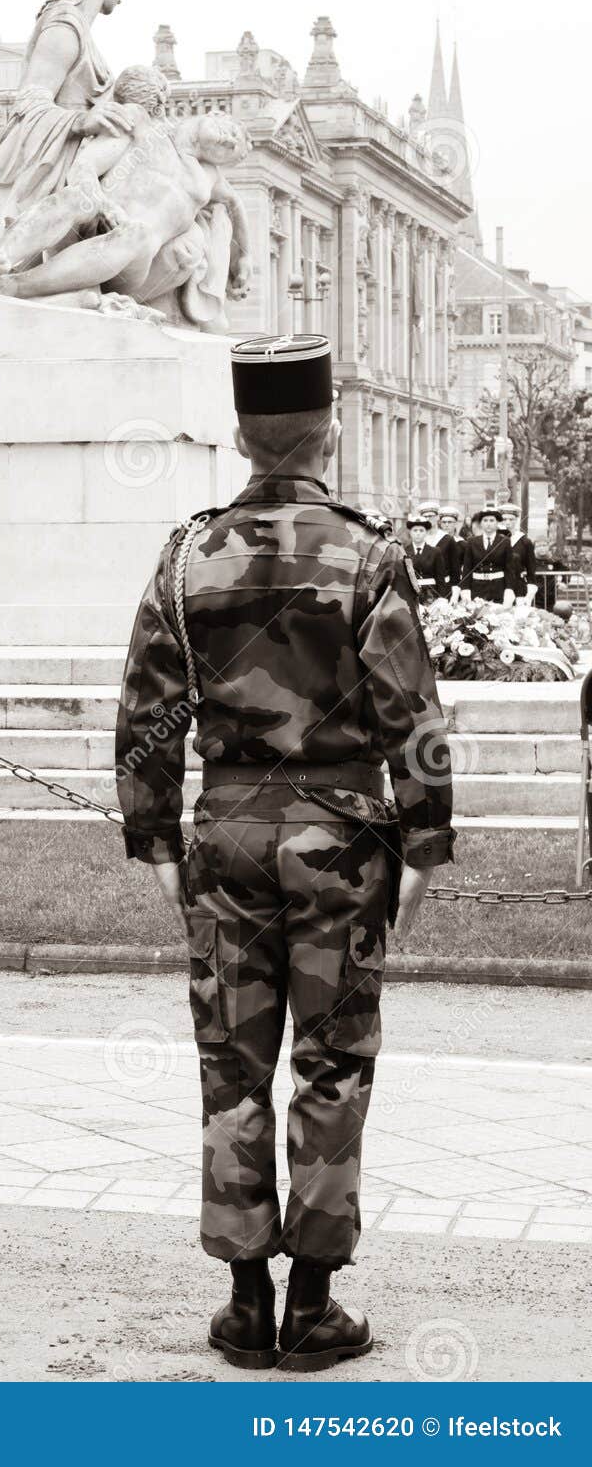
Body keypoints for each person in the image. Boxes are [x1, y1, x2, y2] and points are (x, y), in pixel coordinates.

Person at [116, 333, 454, 1373]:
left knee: (231, 1065)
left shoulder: (186, 554)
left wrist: (155, 836)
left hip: (226, 832)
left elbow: (144, 715)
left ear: (238, 437)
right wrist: (427, 840)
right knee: (332, 1062)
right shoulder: (368, 554)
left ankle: (242, 1300)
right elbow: (415, 721)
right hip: (341, 839)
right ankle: (313, 1301)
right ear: (329, 433)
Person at [0, 66, 251, 329]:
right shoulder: (143, 126)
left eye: (232, 150)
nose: (229, 142)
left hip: (135, 262)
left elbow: (235, 206)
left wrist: (244, 257)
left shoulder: (208, 178)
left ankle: (15, 286)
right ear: (213, 115)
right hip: (93, 227)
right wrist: (103, 204)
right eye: (232, 133)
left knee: (137, 232)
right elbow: (84, 167)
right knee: (77, 196)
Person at [0, 0, 131, 217]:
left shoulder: (82, 34)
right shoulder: (64, 28)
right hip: (61, 178)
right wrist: (79, 121)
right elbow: (30, 103)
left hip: (82, 168)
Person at [462, 506, 514, 603]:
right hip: (477, 587)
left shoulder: (505, 542)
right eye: (485, 520)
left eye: (491, 520)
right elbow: (467, 568)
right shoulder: (472, 542)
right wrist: (465, 589)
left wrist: (509, 589)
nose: (488, 524)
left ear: (497, 523)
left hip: (498, 587)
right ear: (481, 523)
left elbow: (509, 568)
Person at [498, 502, 538, 604]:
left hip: (517, 586)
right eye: (504, 519)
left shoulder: (524, 542)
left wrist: (529, 596)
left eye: (511, 519)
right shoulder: (494, 540)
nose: (507, 522)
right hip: (497, 585)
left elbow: (531, 570)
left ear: (516, 520)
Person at [404, 512, 445, 600]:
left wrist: (442, 599)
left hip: (431, 594)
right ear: (410, 533)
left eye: (421, 530)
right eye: (415, 530)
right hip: (411, 594)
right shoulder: (404, 552)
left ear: (426, 532)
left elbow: (440, 578)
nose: (418, 533)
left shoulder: (435, 551)